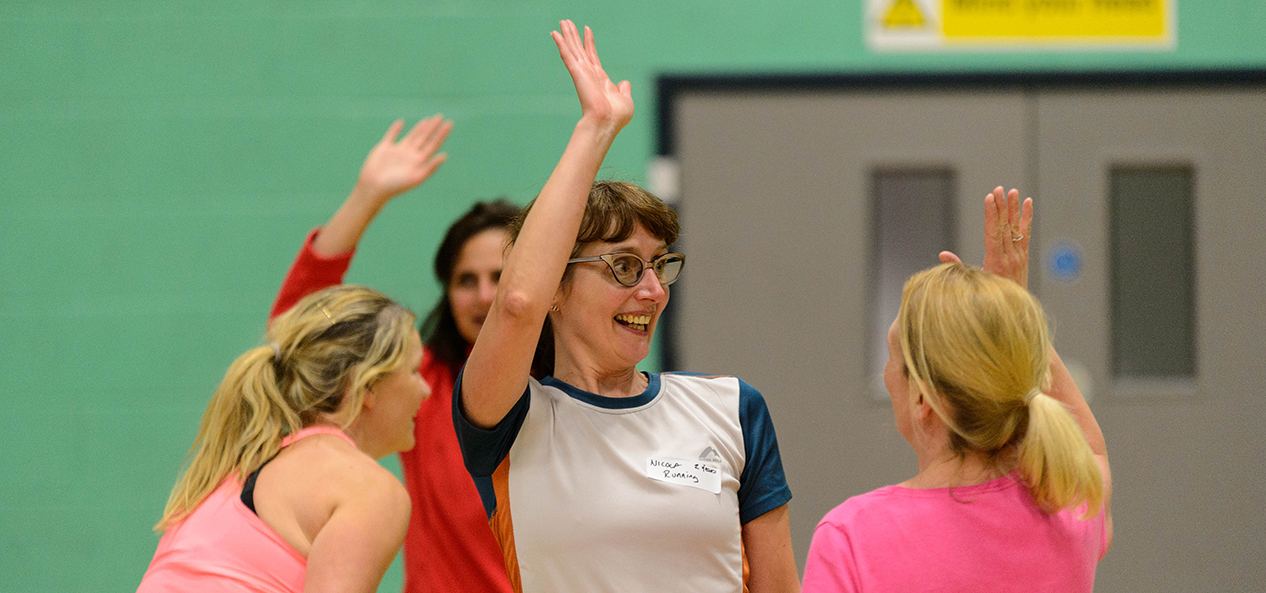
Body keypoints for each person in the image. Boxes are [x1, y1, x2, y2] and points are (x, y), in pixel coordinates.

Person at [454, 21, 800, 593]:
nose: (653, 290)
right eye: (623, 267)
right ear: (557, 290)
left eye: (659, 265)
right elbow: (516, 303)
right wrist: (596, 130)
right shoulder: (508, 421)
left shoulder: (733, 409)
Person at [801, 188, 1113, 593]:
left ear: (922, 398)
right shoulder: (1070, 509)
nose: (886, 374)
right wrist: (1008, 315)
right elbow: (1093, 454)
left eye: (894, 358)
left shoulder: (852, 537)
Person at [268, 115, 517, 593]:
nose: (485, 296)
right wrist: (367, 197)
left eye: (500, 277)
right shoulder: (421, 382)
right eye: (467, 280)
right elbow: (296, 328)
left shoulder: (570, 385)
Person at [138, 285, 430, 593]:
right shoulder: (371, 491)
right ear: (367, 385)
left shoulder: (242, 464)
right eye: (414, 371)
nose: (426, 389)